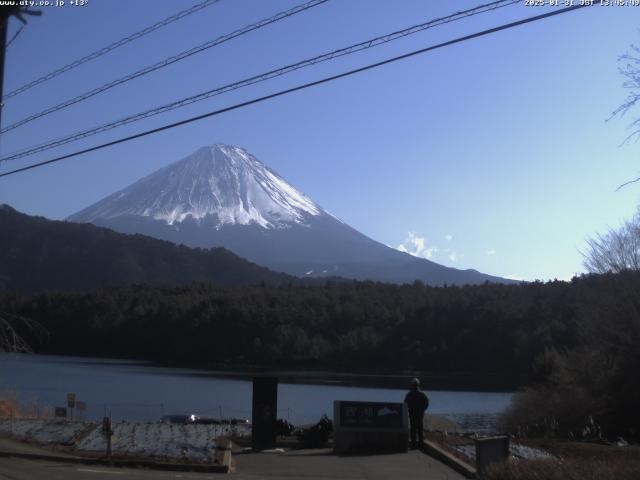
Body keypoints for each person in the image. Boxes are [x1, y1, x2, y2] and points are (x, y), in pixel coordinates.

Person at [404, 378, 429, 449]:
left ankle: (414, 444)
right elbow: (426, 403)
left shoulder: (409, 394)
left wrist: (409, 410)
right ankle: (420, 444)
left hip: (413, 413)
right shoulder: (422, 394)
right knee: (420, 428)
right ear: (418, 385)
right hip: (419, 414)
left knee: (413, 428)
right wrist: (423, 409)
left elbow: (405, 404)